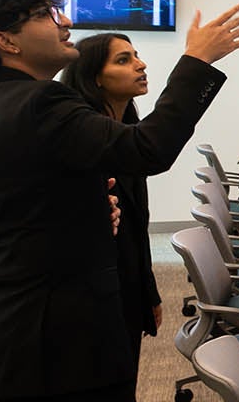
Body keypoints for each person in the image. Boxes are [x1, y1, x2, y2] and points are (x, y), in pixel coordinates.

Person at [0, 0, 239, 401]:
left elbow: (17, 214)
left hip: (13, 340)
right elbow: (148, 150)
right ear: (5, 41)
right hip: (57, 345)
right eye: (46, 15)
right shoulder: (39, 103)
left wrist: (82, 209)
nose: (65, 21)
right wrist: (197, 59)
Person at [58, 33, 163, 369]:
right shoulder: (87, 142)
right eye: (123, 59)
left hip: (126, 291)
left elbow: (136, 231)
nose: (140, 64)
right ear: (94, 79)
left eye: (136, 55)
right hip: (93, 304)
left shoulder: (126, 134)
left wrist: (149, 293)